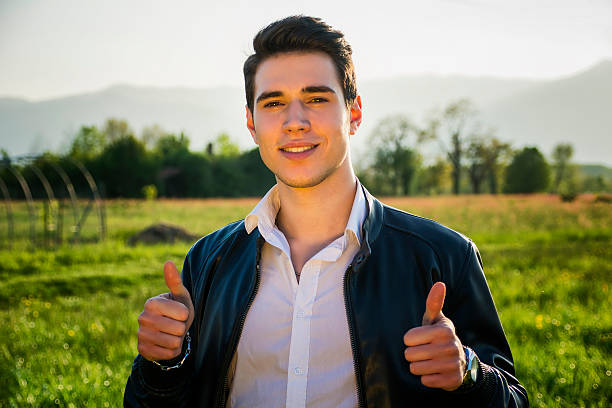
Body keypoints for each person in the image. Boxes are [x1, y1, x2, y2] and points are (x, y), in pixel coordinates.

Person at [124, 15, 528, 407]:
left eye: (316, 98)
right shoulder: (208, 261)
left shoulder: (444, 257)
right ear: (251, 123)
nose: (295, 121)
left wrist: (469, 374)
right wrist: (162, 366)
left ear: (354, 113)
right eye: (273, 103)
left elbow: (513, 400)